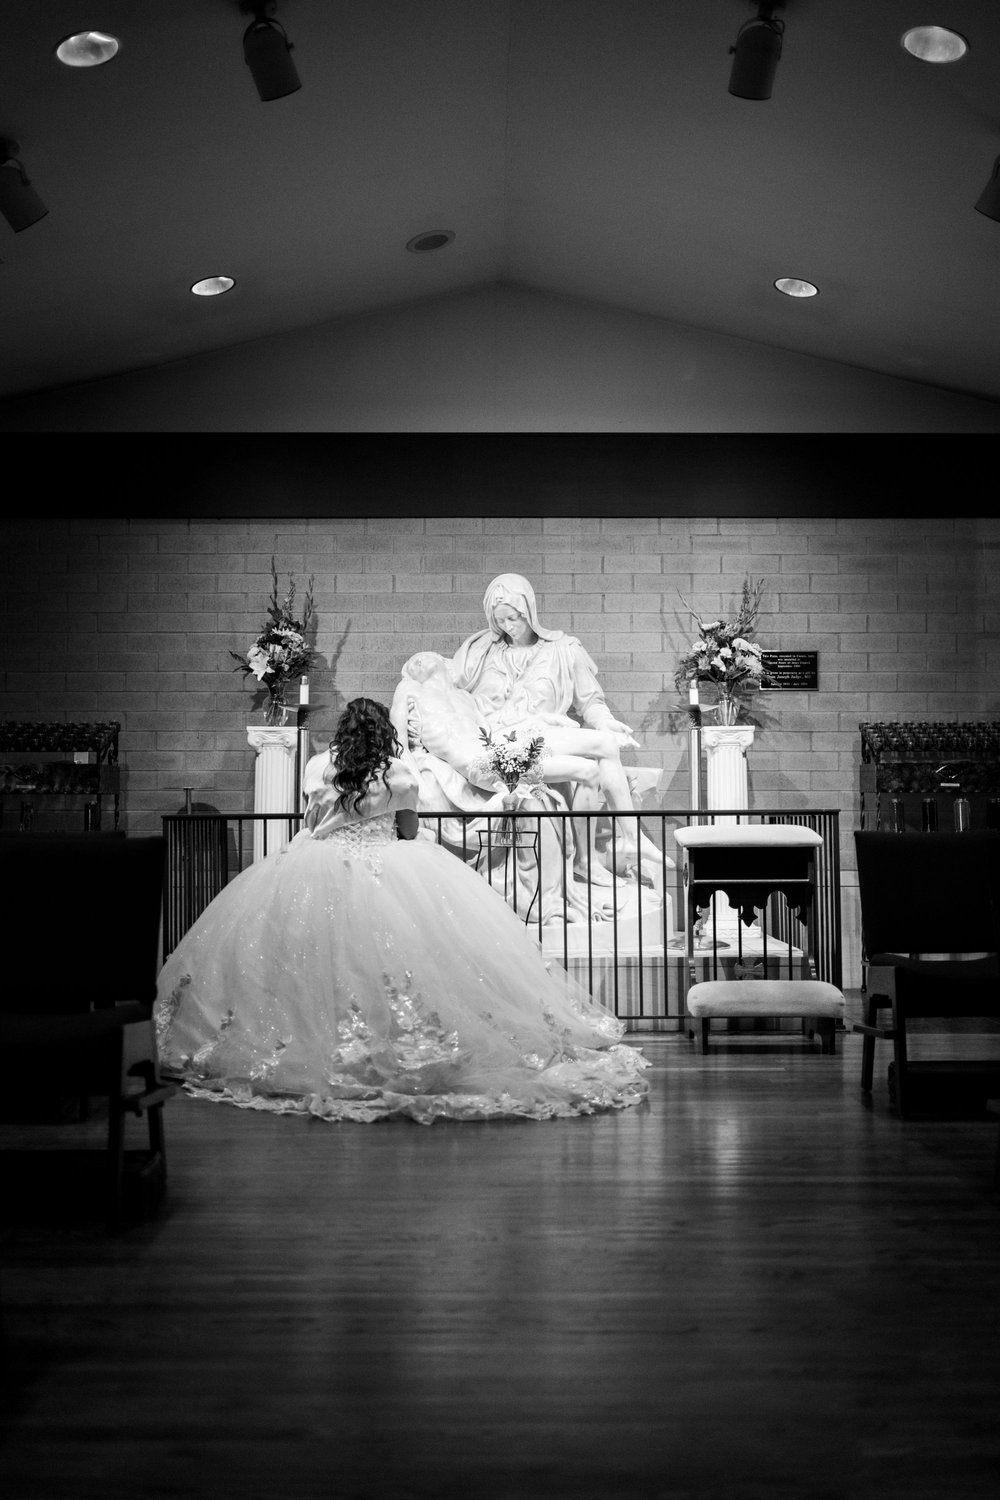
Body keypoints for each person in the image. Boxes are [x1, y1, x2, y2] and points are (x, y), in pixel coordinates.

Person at [155, 698, 649, 1124]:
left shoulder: (319, 767)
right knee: (408, 957)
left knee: (310, 958)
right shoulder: (398, 772)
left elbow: (312, 819)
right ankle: (397, 1044)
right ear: (383, 734)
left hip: (316, 862)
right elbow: (409, 829)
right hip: (388, 864)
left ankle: (309, 1042)